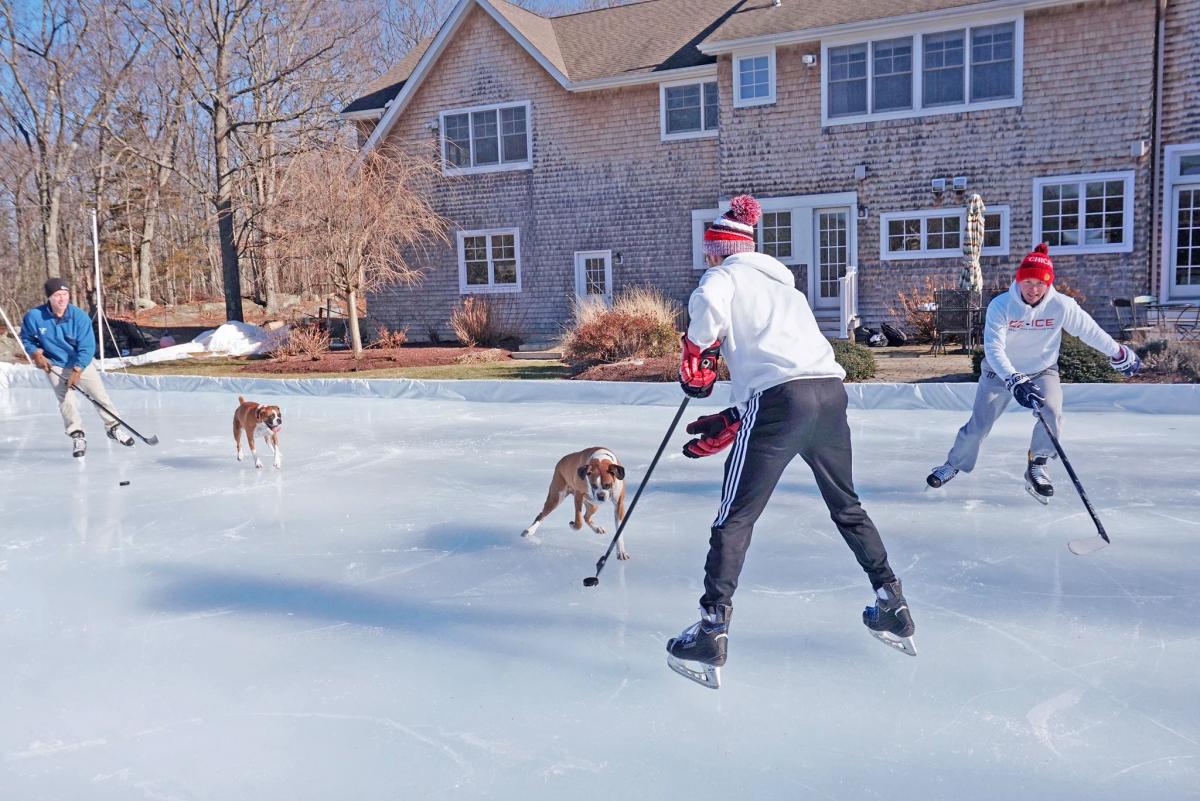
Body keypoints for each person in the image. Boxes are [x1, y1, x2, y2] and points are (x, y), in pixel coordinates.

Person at [665, 195, 916, 689]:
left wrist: (697, 353)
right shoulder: (787, 289)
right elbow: (790, 361)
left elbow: (710, 319)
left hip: (781, 403)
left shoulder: (722, 278)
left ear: (719, 249)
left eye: (708, 251)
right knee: (847, 506)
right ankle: (892, 602)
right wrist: (739, 412)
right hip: (829, 395)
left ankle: (711, 630)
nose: (706, 259)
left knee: (734, 517)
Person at [926, 243, 1140, 501]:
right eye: (1027, 281)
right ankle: (954, 464)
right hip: (1000, 373)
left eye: (1040, 283)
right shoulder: (1001, 305)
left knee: (1051, 412)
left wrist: (1117, 352)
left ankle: (1038, 464)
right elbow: (993, 348)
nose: (1033, 289)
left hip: (1042, 370)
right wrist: (1014, 378)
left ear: (1049, 284)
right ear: (1018, 280)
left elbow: (1088, 331)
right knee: (979, 425)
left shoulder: (1062, 305)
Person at [19, 277, 135, 457]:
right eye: (57, 295)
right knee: (66, 399)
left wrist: (77, 369)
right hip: (54, 363)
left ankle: (113, 427)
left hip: (81, 361)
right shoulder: (35, 316)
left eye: (65, 294)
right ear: (49, 297)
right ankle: (77, 434)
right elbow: (26, 338)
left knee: (99, 396)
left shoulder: (78, 316)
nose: (62, 299)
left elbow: (87, 347)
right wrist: (36, 354)